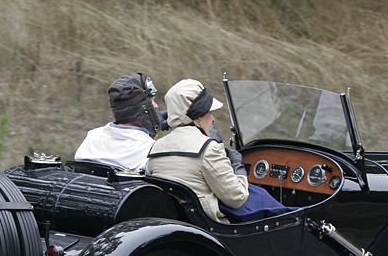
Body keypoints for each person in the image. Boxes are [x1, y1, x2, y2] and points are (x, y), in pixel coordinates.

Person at [148, 79, 295, 224]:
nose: (212, 119)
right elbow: (236, 198)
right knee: (262, 198)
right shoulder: (208, 148)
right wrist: (238, 167)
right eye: (209, 112)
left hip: (182, 221)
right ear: (198, 117)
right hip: (211, 225)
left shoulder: (156, 147)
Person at [74, 72, 162, 171]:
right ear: (142, 107)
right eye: (151, 102)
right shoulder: (151, 149)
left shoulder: (92, 137)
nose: (156, 106)